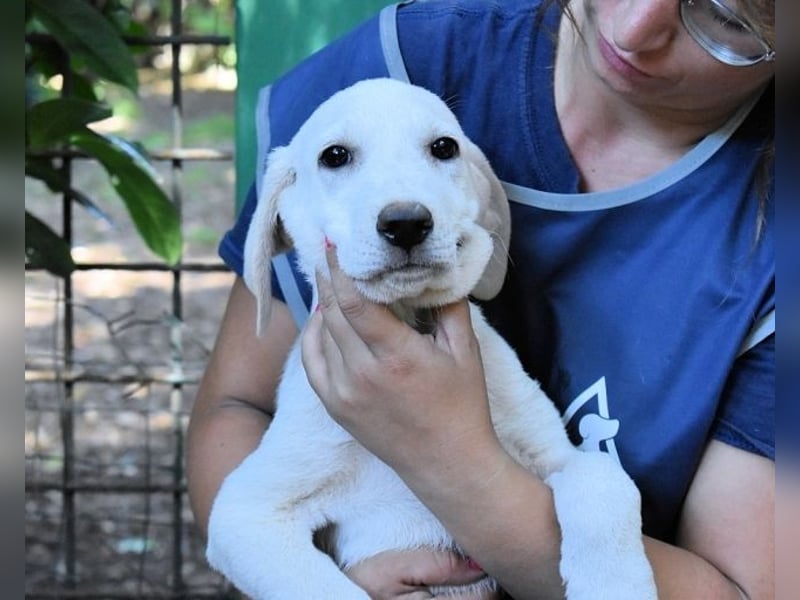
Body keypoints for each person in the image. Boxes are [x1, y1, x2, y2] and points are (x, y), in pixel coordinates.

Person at [187, 0, 776, 598]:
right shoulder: (410, 57)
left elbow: (576, 475)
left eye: (730, 17)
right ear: (280, 221)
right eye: (338, 159)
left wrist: (454, 454)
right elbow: (243, 494)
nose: (634, 30)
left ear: (484, 208)